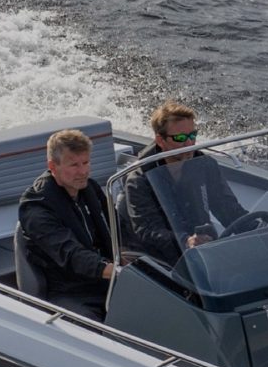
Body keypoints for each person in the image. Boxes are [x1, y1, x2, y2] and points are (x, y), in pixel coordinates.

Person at [123, 101, 250, 264]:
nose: (189, 144)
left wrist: (254, 226)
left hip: (201, 246)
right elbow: (149, 231)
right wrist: (185, 241)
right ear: (160, 141)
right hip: (160, 257)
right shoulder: (139, 180)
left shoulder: (205, 165)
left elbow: (227, 208)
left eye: (192, 136)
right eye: (181, 138)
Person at [18, 129, 115, 320]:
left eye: (86, 162)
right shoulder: (36, 206)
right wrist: (112, 270)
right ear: (53, 167)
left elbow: (116, 227)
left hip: (105, 281)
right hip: (69, 291)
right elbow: (70, 254)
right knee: (95, 332)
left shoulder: (90, 189)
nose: (83, 171)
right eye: (74, 165)